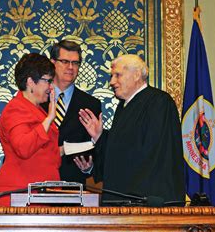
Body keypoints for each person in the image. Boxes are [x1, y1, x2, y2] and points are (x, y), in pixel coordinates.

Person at [78, 54, 185, 204]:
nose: (112, 82)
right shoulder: (123, 106)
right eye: (112, 76)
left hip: (147, 201)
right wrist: (99, 136)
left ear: (136, 75)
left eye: (118, 75)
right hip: (126, 199)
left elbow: (153, 153)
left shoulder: (159, 102)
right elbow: (124, 147)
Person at [0, 53, 60, 206]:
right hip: (21, 195)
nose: (51, 87)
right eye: (47, 81)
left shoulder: (36, 109)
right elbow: (23, 147)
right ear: (31, 81)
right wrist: (49, 119)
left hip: (39, 195)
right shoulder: (16, 109)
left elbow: (44, 150)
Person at [41, 40, 101, 185]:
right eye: (65, 61)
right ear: (52, 63)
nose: (70, 67)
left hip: (73, 189)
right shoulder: (37, 98)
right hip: (37, 184)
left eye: (75, 63)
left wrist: (89, 168)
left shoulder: (91, 104)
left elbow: (95, 149)